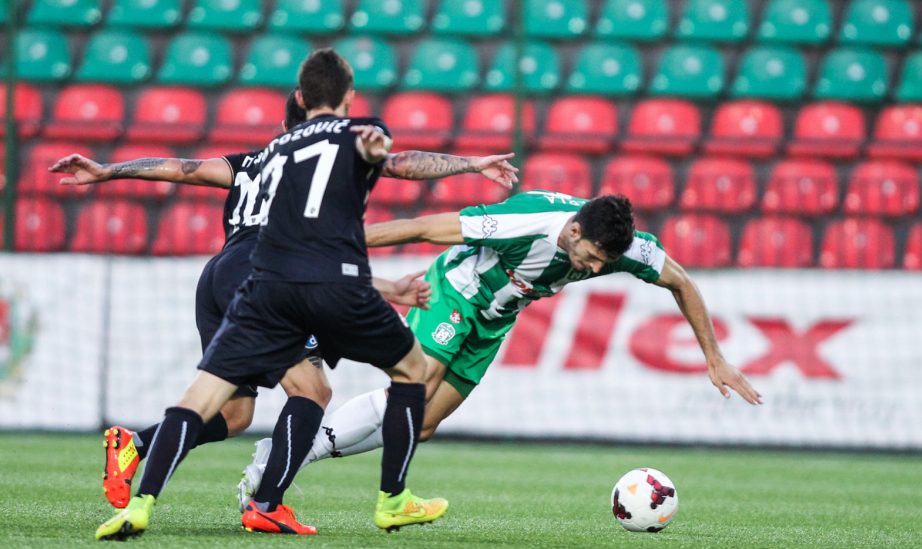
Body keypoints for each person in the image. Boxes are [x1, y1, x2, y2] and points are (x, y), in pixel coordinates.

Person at [50, 90, 517, 512]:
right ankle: (268, 505)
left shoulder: (256, 161)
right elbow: (393, 170)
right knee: (312, 390)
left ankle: (134, 445)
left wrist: (109, 171)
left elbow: (182, 169)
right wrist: (471, 165)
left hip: (219, 273)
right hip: (269, 273)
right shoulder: (322, 166)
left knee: (234, 413)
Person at [238, 190, 763, 506]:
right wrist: (331, 247)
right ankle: (282, 461)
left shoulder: (626, 247)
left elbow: (683, 283)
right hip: (456, 291)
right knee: (414, 392)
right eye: (594, 256)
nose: (597, 268)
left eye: (606, 262)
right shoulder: (526, 223)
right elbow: (425, 227)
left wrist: (715, 357)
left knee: (421, 425)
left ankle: (288, 452)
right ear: (574, 230)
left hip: (496, 318)